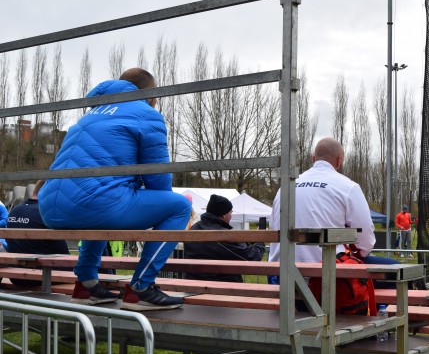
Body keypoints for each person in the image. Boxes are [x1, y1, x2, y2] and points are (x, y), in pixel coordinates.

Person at [39, 68, 191, 310]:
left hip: (48, 206)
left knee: (102, 198)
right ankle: (142, 288)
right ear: (151, 95)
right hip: (93, 203)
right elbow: (159, 181)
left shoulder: (91, 113)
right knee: (180, 206)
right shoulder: (147, 114)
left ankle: (87, 284)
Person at [268, 137, 399, 279]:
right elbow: (366, 239)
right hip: (326, 276)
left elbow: (274, 226)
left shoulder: (285, 188)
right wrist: (358, 254)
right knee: (396, 269)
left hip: (280, 275)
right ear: (339, 160)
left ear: (313, 159)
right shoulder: (348, 187)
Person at [184, 194, 265, 283]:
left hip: (193, 284)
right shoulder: (222, 235)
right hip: (222, 287)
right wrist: (260, 240)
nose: (231, 215)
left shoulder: (194, 228)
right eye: (230, 212)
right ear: (223, 215)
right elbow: (251, 257)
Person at [6, 180, 70, 286]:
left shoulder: (14, 210)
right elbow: (64, 254)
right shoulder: (46, 215)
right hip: (42, 276)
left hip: (15, 276)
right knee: (87, 266)